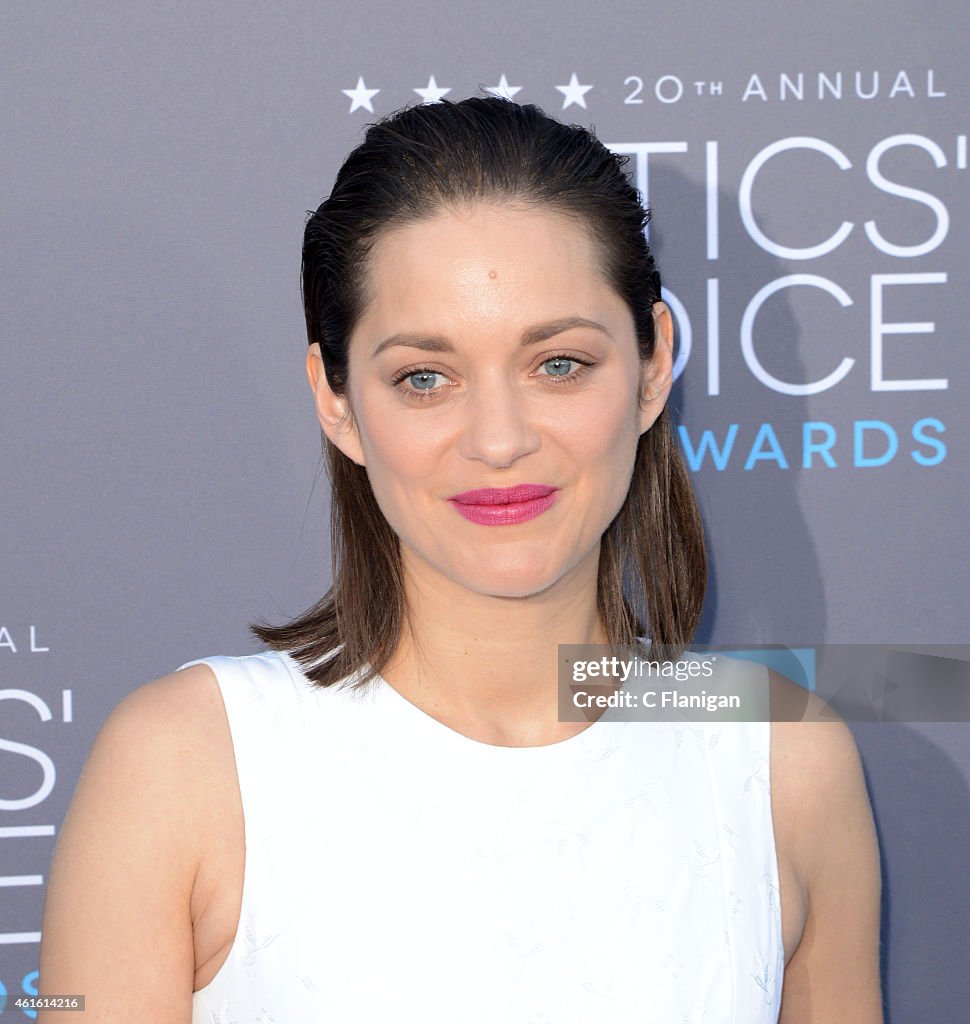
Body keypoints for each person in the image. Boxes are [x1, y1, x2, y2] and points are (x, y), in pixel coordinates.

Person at [38, 97, 882, 1022]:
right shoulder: (182, 767)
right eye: (424, 378)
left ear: (651, 367)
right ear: (336, 401)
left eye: (558, 363)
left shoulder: (781, 754)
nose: (499, 439)